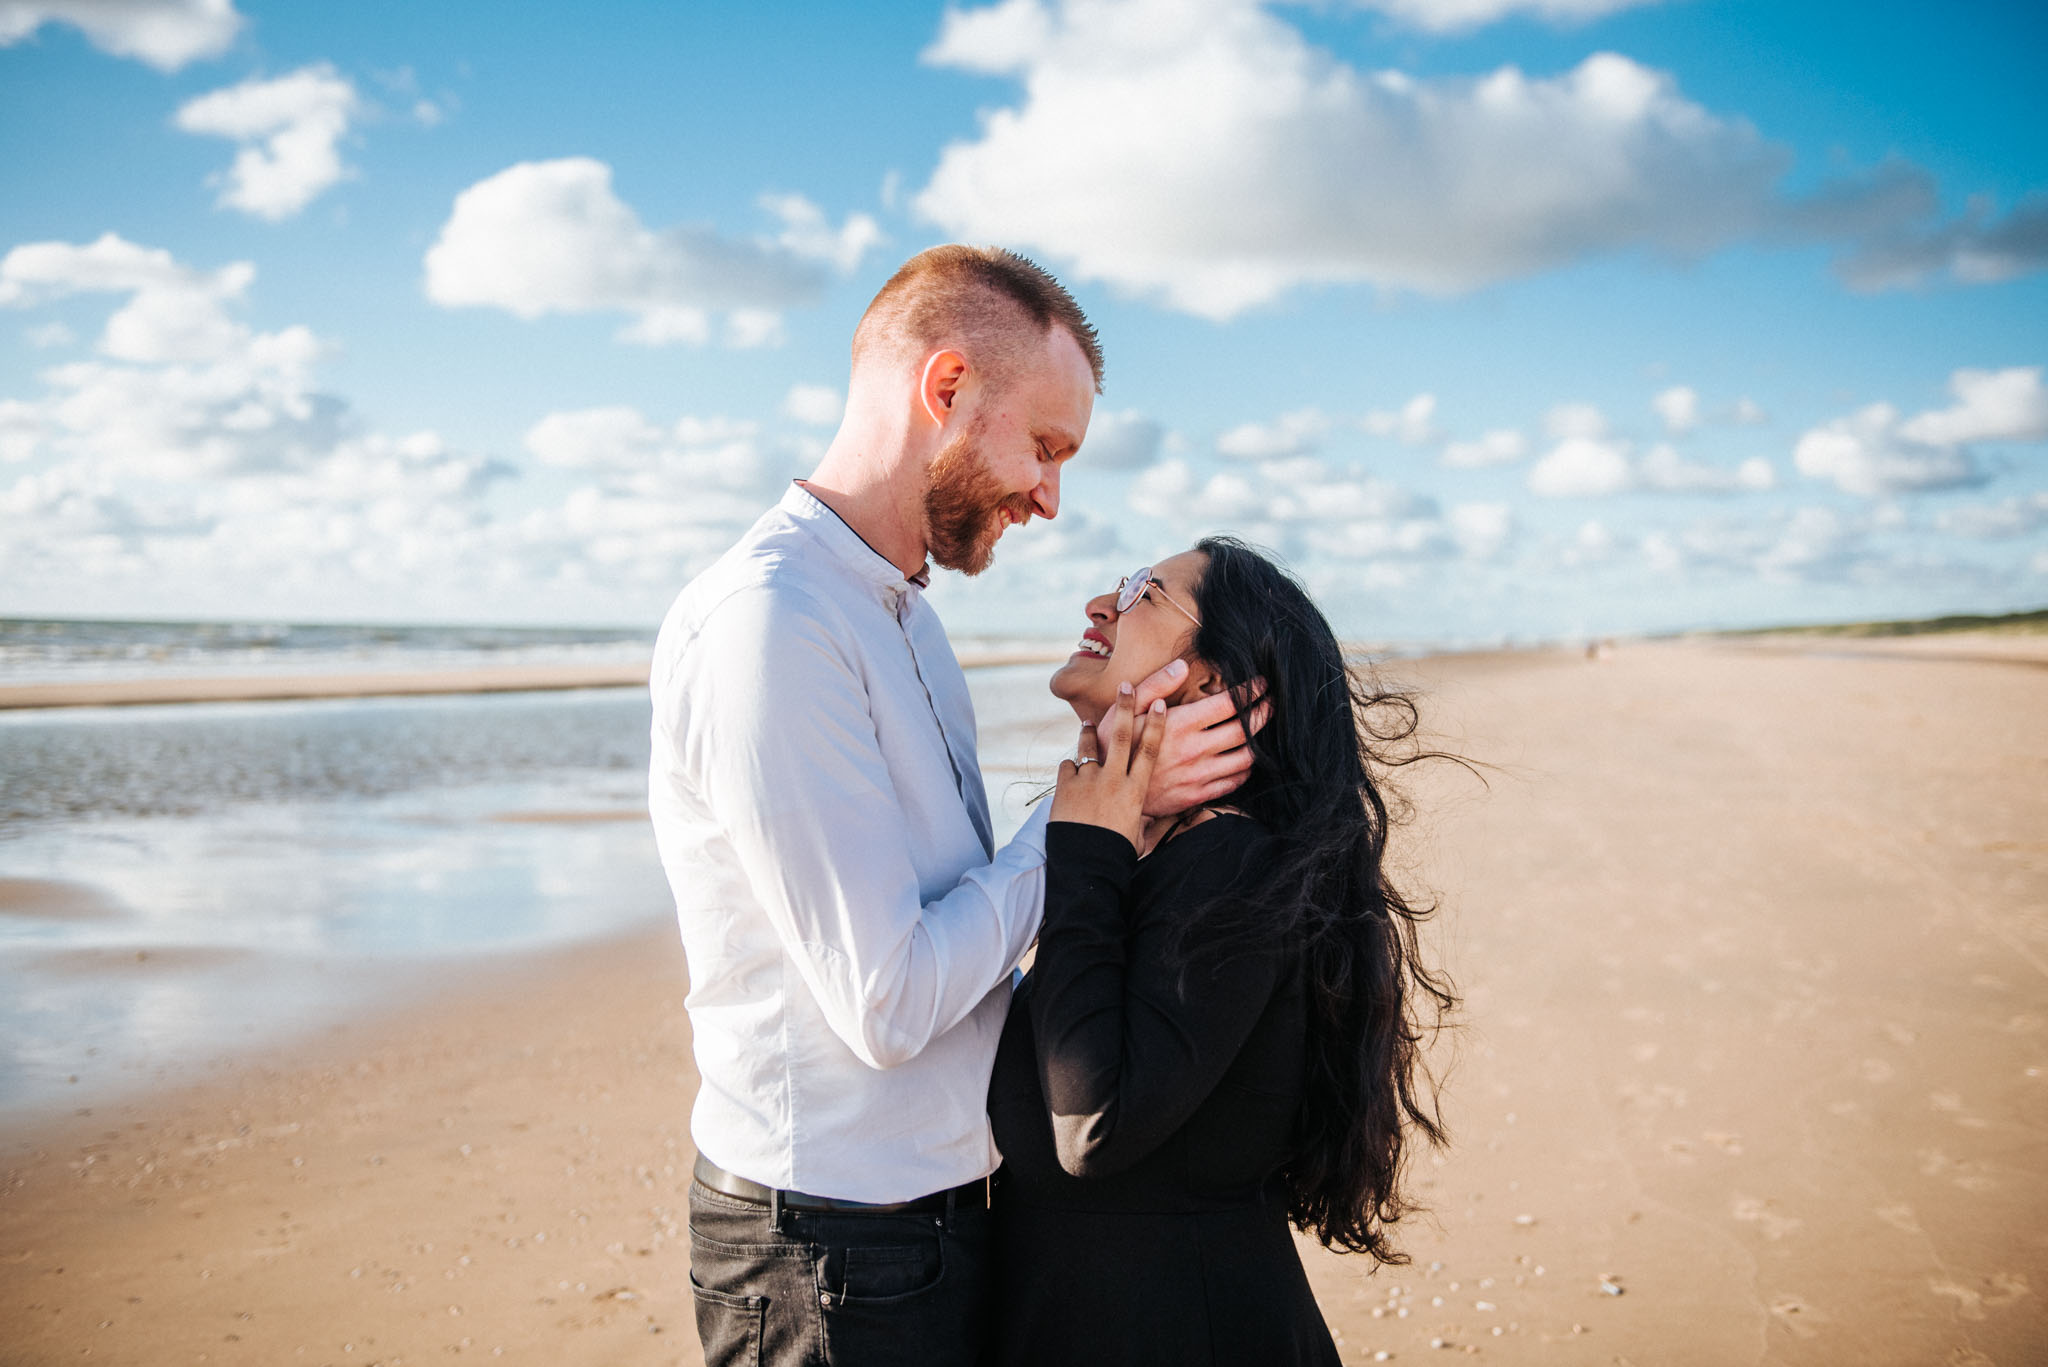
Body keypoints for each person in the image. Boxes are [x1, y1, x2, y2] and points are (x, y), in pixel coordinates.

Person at [648, 247, 1260, 1367]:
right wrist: (1083, 825)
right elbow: (885, 1001)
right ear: (945, 389)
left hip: (946, 1213)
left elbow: (964, 919)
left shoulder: (909, 619)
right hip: (827, 1250)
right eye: (1044, 446)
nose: (1049, 496)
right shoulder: (772, 623)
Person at [986, 539, 1457, 1366]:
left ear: (1212, 685)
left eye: (1146, 593)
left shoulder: (1228, 864)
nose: (1102, 601)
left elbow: (1089, 1123)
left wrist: (1085, 847)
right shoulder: (1158, 859)